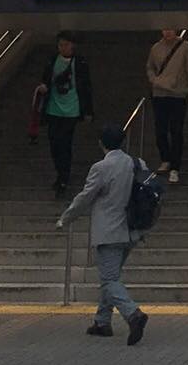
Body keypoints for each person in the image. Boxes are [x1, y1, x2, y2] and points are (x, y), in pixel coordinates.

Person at [58, 122, 149, 341]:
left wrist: (66, 217)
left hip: (109, 231)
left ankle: (133, 314)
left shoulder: (101, 167)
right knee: (112, 276)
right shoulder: (138, 163)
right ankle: (102, 321)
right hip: (132, 229)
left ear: (101, 143)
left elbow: (85, 197)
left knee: (109, 280)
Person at [34, 32, 94, 196]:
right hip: (53, 108)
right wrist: (44, 87)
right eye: (60, 45)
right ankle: (60, 173)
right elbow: (46, 79)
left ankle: (63, 176)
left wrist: (88, 110)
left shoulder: (79, 62)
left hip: (71, 108)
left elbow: (86, 87)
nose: (63, 48)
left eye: (66, 44)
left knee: (65, 143)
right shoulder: (52, 60)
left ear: (72, 45)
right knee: (54, 142)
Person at [146, 28, 188, 184]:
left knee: (176, 130)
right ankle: (165, 159)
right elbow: (150, 67)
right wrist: (154, 80)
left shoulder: (186, 47)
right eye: (165, 29)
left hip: (178, 94)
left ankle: (175, 166)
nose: (167, 32)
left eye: (170, 29)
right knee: (160, 129)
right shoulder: (156, 48)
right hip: (159, 93)